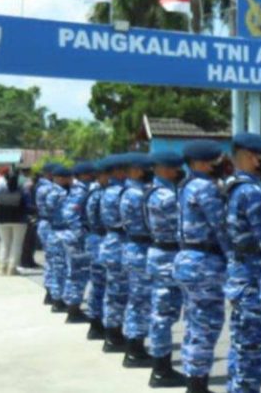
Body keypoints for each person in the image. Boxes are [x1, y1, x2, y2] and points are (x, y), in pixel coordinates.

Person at [174, 140, 231, 393]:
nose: (217, 166)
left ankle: (193, 381)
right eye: (213, 162)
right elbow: (221, 227)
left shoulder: (185, 185)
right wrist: (234, 258)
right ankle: (197, 386)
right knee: (206, 326)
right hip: (204, 264)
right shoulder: (205, 188)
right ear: (200, 163)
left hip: (189, 260)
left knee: (195, 324)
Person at [224, 133, 261, 393]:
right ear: (252, 157)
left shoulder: (233, 186)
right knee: (253, 359)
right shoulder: (252, 192)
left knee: (241, 355)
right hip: (253, 282)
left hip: (241, 277)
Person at [145, 152, 187, 388]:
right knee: (163, 315)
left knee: (162, 313)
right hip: (167, 256)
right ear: (163, 169)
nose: (177, 172)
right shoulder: (166, 197)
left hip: (158, 253)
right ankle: (161, 370)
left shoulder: (152, 191)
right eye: (173, 168)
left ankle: (161, 366)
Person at [120, 153, 156, 368]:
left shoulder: (128, 191)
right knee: (141, 301)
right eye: (144, 170)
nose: (147, 173)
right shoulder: (136, 194)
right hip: (140, 248)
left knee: (136, 301)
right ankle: (135, 350)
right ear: (135, 170)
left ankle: (134, 347)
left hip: (133, 247)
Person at [57, 162, 97, 324]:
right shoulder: (80, 191)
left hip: (74, 236)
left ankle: (72, 307)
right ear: (85, 175)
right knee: (78, 274)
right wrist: (82, 234)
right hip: (76, 238)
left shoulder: (79, 189)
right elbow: (70, 215)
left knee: (75, 273)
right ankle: (73, 311)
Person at [99, 154, 130, 353]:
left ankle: (112, 334)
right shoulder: (121, 192)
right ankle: (114, 337)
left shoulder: (106, 191)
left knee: (113, 293)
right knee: (119, 293)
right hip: (119, 243)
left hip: (109, 241)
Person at [84, 158, 110, 340]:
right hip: (101, 239)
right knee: (103, 284)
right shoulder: (101, 194)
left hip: (95, 239)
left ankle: (95, 323)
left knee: (98, 284)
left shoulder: (93, 192)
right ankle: (98, 324)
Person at [0, 171, 30, 276]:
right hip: (19, 219)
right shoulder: (22, 189)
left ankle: (3, 267)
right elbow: (28, 204)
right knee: (17, 244)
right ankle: (12, 268)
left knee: (5, 243)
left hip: (2, 218)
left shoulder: (0, 189)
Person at [46, 166, 72, 313]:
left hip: (54, 231)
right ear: (62, 178)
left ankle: (56, 298)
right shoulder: (61, 193)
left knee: (57, 267)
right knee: (61, 268)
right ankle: (58, 301)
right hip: (61, 231)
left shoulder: (50, 191)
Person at [35, 163, 58, 304]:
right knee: (54, 260)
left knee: (50, 259)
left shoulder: (41, 187)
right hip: (49, 224)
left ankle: (49, 291)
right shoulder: (50, 188)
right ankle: (51, 292)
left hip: (44, 223)